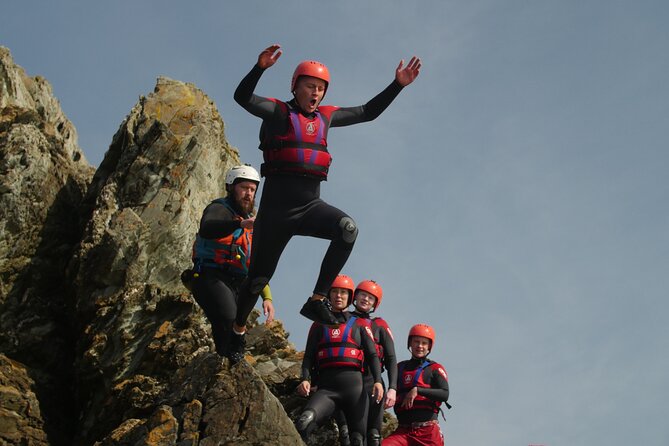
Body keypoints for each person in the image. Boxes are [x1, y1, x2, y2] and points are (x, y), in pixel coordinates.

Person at [229, 43, 422, 356]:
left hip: (309, 207)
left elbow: (367, 112)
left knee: (347, 229)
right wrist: (260, 68)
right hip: (276, 214)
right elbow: (242, 98)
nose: (316, 92)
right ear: (296, 87)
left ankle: (317, 300)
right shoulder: (279, 111)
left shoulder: (327, 117)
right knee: (257, 280)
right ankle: (237, 329)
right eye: (310, 86)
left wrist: (397, 85)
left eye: (321, 88)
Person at [183, 164, 274, 364]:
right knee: (228, 318)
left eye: (252, 190)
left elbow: (255, 263)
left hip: (238, 281)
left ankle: (228, 363)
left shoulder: (251, 222)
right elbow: (207, 228)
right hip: (210, 275)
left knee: (235, 325)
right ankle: (228, 365)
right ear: (231, 187)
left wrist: (266, 297)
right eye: (244, 188)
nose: (248, 194)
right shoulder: (219, 209)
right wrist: (239, 224)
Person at [295, 275, 384, 446]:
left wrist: (378, 382)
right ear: (328, 295)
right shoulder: (318, 325)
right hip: (327, 390)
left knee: (357, 440)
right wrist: (305, 379)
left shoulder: (359, 324)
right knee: (304, 422)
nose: (338, 296)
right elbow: (308, 356)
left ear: (350, 297)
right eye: (335, 291)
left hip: (355, 391)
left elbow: (373, 356)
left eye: (343, 292)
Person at [333, 280, 398, 446]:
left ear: (375, 304)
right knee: (348, 433)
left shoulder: (379, 325)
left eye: (371, 298)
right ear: (355, 296)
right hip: (347, 380)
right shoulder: (342, 320)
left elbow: (391, 358)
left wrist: (392, 389)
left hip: (372, 381)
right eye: (363, 294)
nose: (365, 299)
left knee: (374, 435)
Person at [383, 324, 451, 446]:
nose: (420, 346)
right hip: (403, 432)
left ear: (429, 346)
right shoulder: (399, 368)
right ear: (410, 343)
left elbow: (445, 394)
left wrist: (418, 390)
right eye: (416, 342)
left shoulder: (435, 369)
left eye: (424, 343)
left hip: (428, 433)